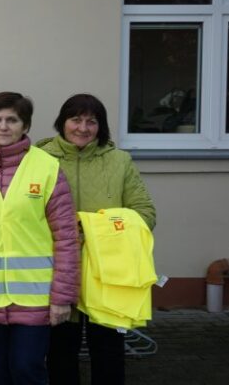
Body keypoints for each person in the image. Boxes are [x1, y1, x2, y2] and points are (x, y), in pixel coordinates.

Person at [0, 92, 80, 385]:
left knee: (26, 369)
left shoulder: (46, 167)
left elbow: (66, 237)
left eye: (12, 120)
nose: (3, 126)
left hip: (35, 296)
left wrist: (62, 297)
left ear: (25, 126)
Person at [39, 93, 156, 385]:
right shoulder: (39, 159)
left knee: (109, 353)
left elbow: (145, 213)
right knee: (60, 353)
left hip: (109, 276)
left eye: (92, 121)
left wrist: (94, 228)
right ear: (62, 122)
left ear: (100, 126)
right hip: (58, 272)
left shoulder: (119, 161)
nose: (83, 128)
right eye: (75, 119)